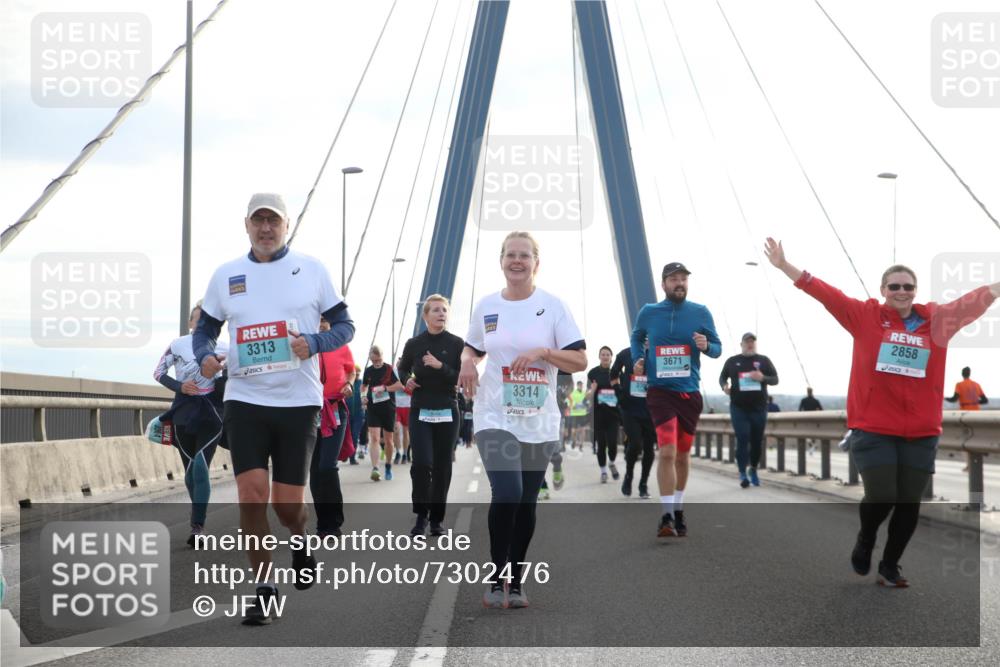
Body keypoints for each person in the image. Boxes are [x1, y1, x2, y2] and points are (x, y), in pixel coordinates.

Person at [764, 236, 998, 587]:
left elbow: (975, 300)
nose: (901, 291)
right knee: (883, 494)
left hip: (921, 431)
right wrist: (785, 266)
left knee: (909, 503)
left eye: (908, 286)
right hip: (872, 427)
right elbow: (826, 293)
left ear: (915, 290)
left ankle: (890, 564)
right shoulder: (865, 316)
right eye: (895, 286)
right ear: (883, 289)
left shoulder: (938, 320)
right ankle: (866, 538)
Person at [194, 192, 354, 624]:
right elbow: (205, 331)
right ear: (246, 224)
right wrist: (206, 355)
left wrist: (314, 343)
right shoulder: (226, 275)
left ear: (286, 226)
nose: (266, 228)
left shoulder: (312, 270)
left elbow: (345, 325)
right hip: (244, 399)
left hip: (297, 403)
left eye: (274, 221)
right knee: (250, 497)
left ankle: (299, 539)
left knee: (287, 507)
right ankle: (264, 588)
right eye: (258, 220)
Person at [459, 231, 586, 610]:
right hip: (494, 413)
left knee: (527, 501)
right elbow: (474, 346)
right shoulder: (486, 307)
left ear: (536, 263)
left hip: (539, 418)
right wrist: (467, 361)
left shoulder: (553, 306)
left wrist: (544, 352)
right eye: (511, 255)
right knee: (508, 493)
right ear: (501, 260)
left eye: (524, 255)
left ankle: (516, 579)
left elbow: (580, 360)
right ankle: (497, 578)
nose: (517, 261)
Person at [631, 261, 721, 538]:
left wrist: (707, 346)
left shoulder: (700, 312)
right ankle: (666, 516)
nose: (679, 283)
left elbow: (718, 349)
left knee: (682, 455)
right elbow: (636, 338)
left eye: (683, 278)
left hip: (689, 393)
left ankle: (678, 509)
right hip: (660, 392)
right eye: (673, 279)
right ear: (663, 284)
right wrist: (638, 359)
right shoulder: (649, 312)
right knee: (667, 451)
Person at [153, 300, 228, 546]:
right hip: (183, 412)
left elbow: (241, 377)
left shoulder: (227, 347)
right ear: (190, 322)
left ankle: (198, 527)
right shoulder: (178, 344)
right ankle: (197, 517)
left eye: (208, 319)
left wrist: (222, 378)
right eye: (198, 319)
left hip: (213, 413)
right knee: (189, 474)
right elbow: (158, 372)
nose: (202, 323)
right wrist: (180, 386)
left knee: (200, 467)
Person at [394, 294, 465, 537]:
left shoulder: (457, 343)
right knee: (422, 464)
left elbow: (461, 376)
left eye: (444, 310)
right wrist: (407, 380)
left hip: (447, 408)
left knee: (443, 466)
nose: (441, 313)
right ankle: (421, 516)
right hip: (421, 409)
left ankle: (436, 520)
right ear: (425, 316)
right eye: (435, 310)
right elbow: (402, 368)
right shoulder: (414, 343)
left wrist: (440, 366)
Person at [311, 317, 356, 538]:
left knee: (327, 466)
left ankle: (334, 523)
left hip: (335, 410)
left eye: (325, 320)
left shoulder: (340, 344)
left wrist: (349, 384)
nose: (321, 323)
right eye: (317, 319)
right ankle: (322, 524)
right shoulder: (304, 344)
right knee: (313, 470)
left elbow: (351, 371)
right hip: (309, 413)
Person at [719, 332, 779, 488]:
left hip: (759, 408)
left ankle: (753, 468)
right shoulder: (732, 361)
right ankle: (742, 473)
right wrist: (724, 386)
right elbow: (722, 377)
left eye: (752, 341)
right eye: (747, 341)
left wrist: (763, 378)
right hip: (739, 408)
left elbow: (775, 379)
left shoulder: (763, 361)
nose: (750, 344)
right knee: (743, 438)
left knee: (756, 441)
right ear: (741, 344)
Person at [610, 345, 655, 498]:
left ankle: (643, 484)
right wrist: (619, 393)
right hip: (630, 409)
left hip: (651, 410)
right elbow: (613, 373)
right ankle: (628, 477)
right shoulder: (625, 353)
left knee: (649, 448)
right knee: (635, 443)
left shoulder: (657, 351)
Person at [361, 345, 399, 481]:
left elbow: (399, 385)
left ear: (382, 357)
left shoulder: (389, 369)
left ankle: (388, 465)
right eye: (374, 361)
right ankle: (375, 468)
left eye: (378, 360)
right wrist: (363, 396)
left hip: (388, 408)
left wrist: (385, 388)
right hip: (373, 408)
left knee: (388, 440)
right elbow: (364, 386)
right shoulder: (368, 371)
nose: (376, 363)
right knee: (375, 438)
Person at [588, 346, 621, 483]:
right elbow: (587, 397)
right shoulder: (592, 373)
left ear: (611, 357)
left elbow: (622, 393)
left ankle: (612, 462)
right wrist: (593, 390)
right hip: (599, 414)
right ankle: (603, 472)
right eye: (603, 354)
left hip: (614, 415)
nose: (605, 356)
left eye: (608, 354)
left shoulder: (617, 372)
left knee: (613, 444)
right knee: (601, 444)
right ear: (599, 356)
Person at [945, 367, 988, 471]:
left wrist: (944, 398)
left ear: (962, 374)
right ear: (969, 373)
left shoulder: (959, 385)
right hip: (976, 415)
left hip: (965, 414)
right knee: (975, 439)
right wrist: (975, 402)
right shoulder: (976, 385)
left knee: (965, 440)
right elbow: (985, 400)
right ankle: (976, 462)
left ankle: (969, 465)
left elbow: (954, 399)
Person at [394, 381, 413, 465]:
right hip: (396, 407)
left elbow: (414, 393)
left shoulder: (410, 375)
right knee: (396, 430)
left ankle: (405, 454)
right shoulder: (393, 375)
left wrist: (403, 388)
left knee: (406, 432)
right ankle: (398, 452)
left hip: (408, 407)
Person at [568, 380, 588, 450]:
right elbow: (569, 402)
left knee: (583, 430)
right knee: (574, 431)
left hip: (582, 414)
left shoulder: (584, 393)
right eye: (580, 385)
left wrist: (586, 405)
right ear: (577, 385)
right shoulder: (573, 393)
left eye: (582, 385)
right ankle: (574, 441)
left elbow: (587, 402)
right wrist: (573, 405)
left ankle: (581, 444)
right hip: (574, 414)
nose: (581, 386)